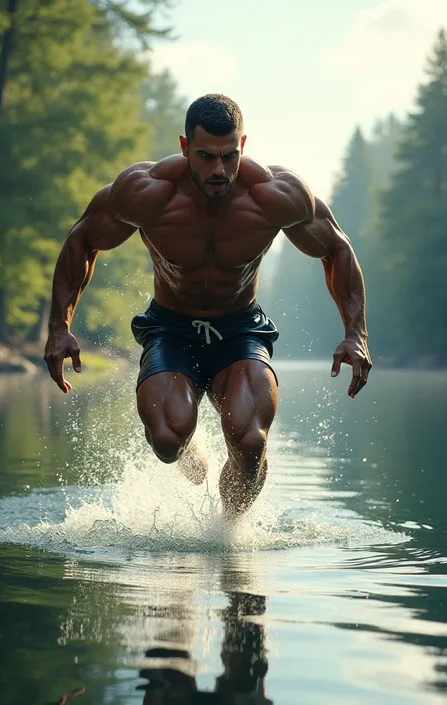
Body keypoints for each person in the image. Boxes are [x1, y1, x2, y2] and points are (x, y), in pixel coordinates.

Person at [44, 94, 372, 520]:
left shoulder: (275, 195)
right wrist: (59, 326)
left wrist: (355, 334)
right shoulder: (147, 192)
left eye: (229, 156)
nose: (219, 170)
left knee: (250, 441)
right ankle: (184, 445)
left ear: (243, 145)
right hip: (171, 327)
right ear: (184, 148)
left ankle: (227, 533)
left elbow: (337, 249)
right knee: (166, 438)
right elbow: (82, 239)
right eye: (205, 156)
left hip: (240, 330)